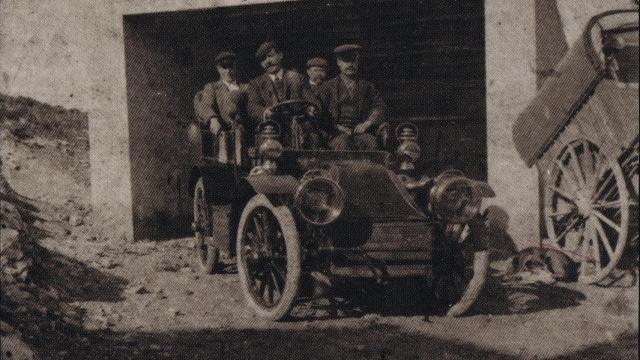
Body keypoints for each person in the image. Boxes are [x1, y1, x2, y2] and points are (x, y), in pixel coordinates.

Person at [315, 44, 387, 151]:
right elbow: (319, 112)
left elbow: (380, 106)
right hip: (336, 133)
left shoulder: (367, 86)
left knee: (371, 143)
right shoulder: (327, 87)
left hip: (362, 132)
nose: (350, 64)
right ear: (338, 62)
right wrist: (337, 127)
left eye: (354, 61)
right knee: (343, 144)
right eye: (346, 61)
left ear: (358, 62)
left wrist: (367, 124)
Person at [193, 51, 247, 163]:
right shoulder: (212, 88)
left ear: (235, 67)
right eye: (224, 67)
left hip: (246, 132)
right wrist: (212, 118)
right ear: (218, 69)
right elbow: (205, 104)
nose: (228, 71)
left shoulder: (245, 88)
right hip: (225, 134)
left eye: (231, 67)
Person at [247, 41, 305, 126]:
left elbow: (309, 98)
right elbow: (252, 106)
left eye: (270, 56)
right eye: (263, 59)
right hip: (271, 128)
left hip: (297, 126)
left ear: (280, 55)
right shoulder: (255, 83)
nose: (268, 61)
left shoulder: (298, 77)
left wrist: (311, 109)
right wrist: (264, 112)